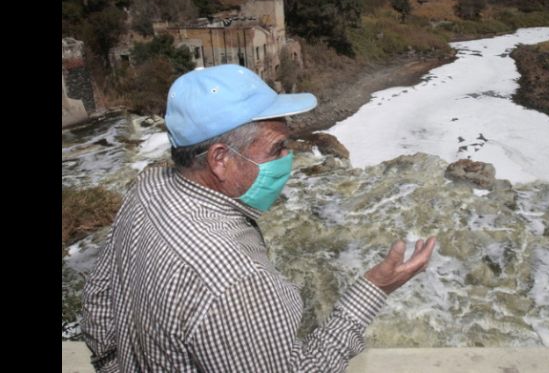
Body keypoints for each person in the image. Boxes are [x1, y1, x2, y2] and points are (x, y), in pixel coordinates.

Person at [81, 64, 437, 372]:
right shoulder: (238, 281)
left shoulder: (148, 188)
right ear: (220, 159)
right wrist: (374, 288)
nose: (289, 162)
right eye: (277, 149)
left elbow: (98, 305)